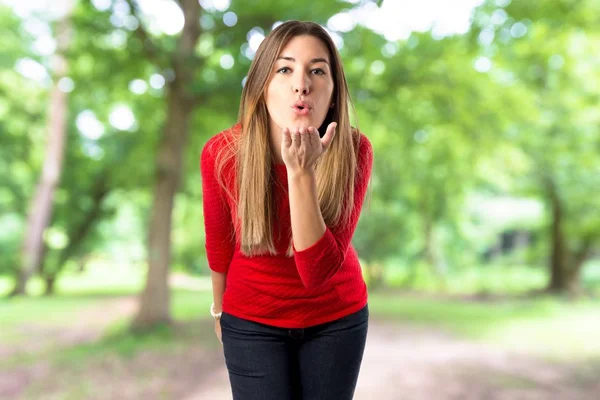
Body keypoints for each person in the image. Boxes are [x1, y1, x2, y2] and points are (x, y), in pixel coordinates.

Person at [200, 20, 373, 400]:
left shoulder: (355, 151)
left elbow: (315, 271)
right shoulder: (223, 152)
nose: (301, 84)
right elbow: (219, 243)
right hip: (252, 320)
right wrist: (219, 311)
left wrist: (301, 172)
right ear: (263, 87)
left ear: (333, 92)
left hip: (337, 319)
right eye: (285, 69)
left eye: (316, 70)